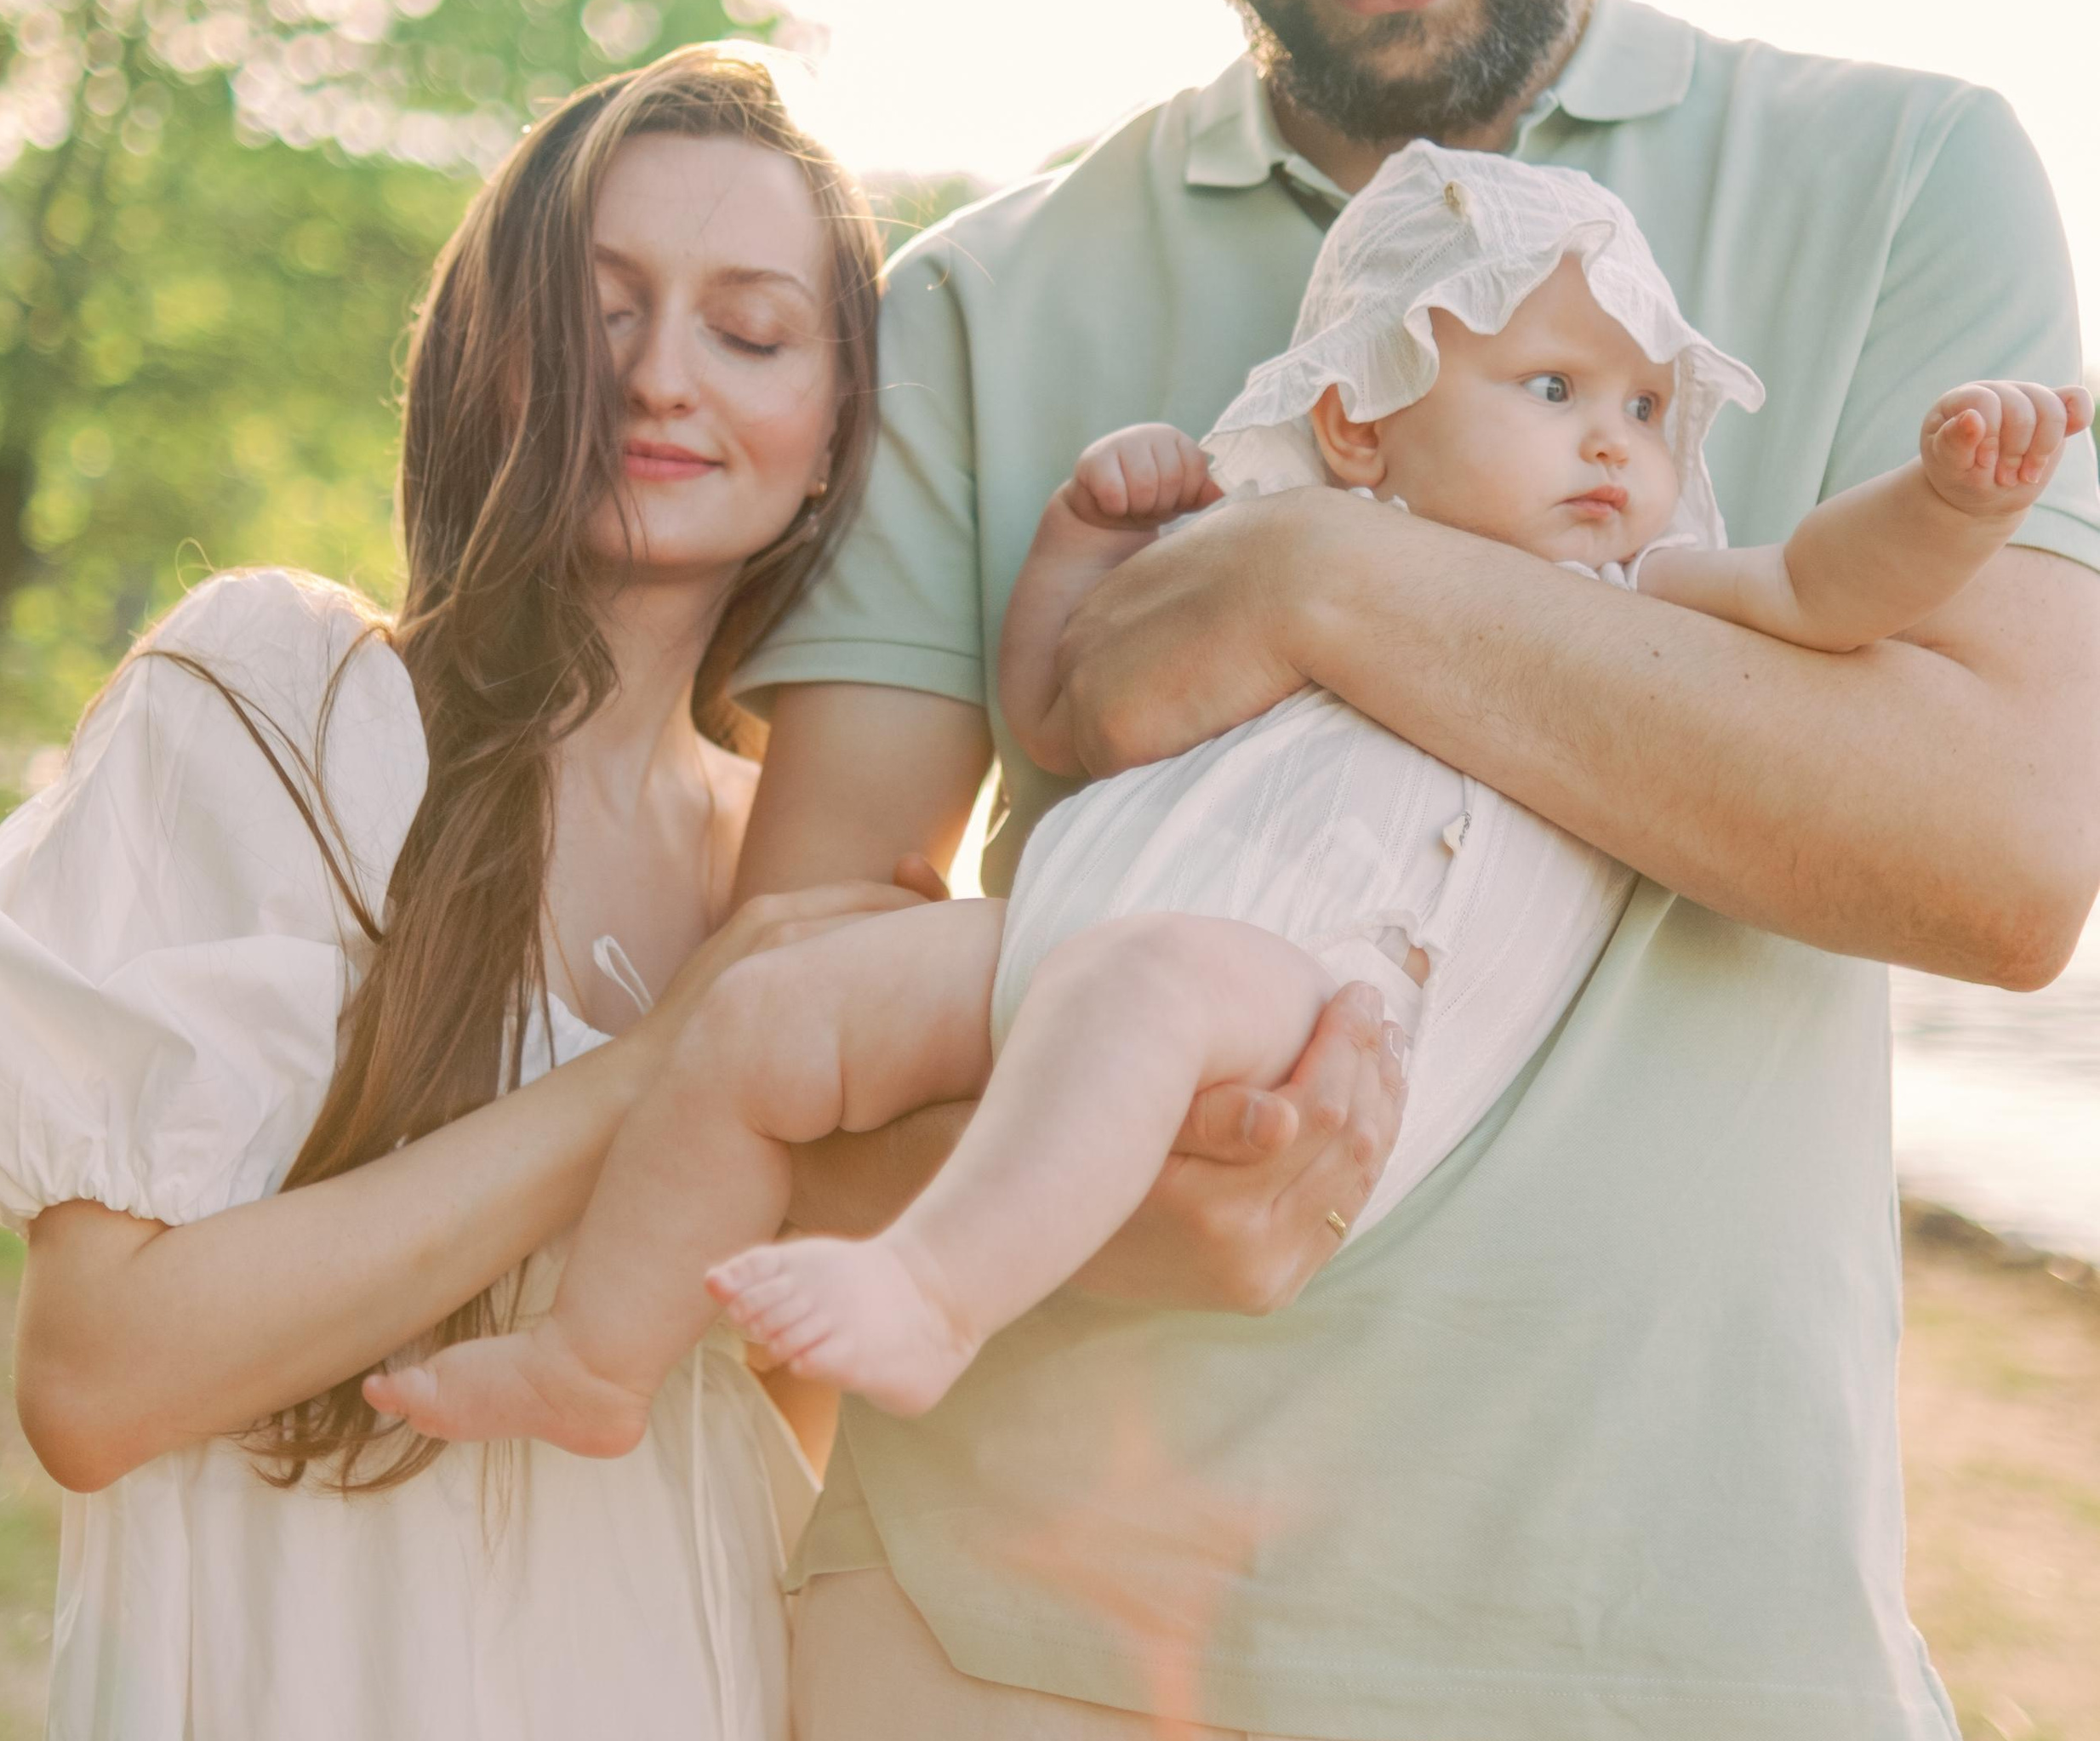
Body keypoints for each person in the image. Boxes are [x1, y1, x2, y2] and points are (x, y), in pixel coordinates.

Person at [733, 0, 2100, 1741]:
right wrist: (1107, 1215)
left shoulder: (1903, 180)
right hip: (1008, 1680)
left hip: (1654, 1717)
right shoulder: (985, 297)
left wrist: (1329, 578)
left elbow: (1998, 862)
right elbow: (797, 971)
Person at [371, 143, 2086, 1445]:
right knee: (761, 1004)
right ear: (1357, 420)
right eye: (1548, 392)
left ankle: (933, 1291)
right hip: (1072, 933)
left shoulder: (1638, 596)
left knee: (1134, 984)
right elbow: (1066, 711)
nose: (1610, 447)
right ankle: (600, 1356)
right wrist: (1077, 546)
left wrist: (1942, 503)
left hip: (1290, 995)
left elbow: (1819, 598)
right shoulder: (1238, 547)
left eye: (1645, 408)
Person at [0, 49, 935, 1741]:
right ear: (486, 358)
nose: (664, 376)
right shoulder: (278, 707)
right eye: (599, 314)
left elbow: (796, 1434)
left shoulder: (813, 873)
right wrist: (665, 1073)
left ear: (836, 435)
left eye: (751, 332)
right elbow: (96, 1378)